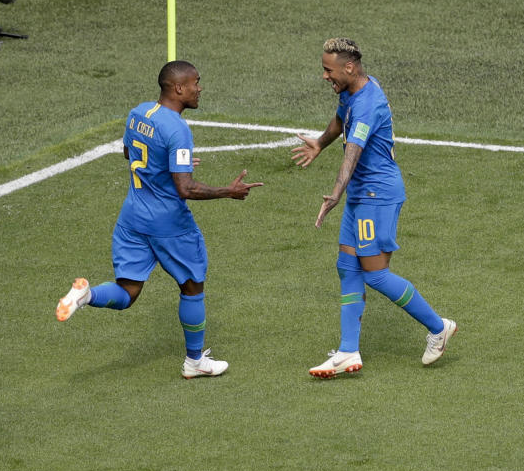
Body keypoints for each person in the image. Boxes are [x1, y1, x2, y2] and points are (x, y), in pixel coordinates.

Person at [56, 60, 262, 378]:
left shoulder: (139, 113)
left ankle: (87, 295)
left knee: (127, 292)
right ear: (178, 88)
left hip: (133, 217)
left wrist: (168, 161)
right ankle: (195, 362)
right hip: (169, 224)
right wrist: (228, 191)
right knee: (193, 286)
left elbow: (130, 153)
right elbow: (186, 187)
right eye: (195, 82)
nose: (199, 88)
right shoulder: (177, 130)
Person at [291, 38, 456, 378]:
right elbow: (341, 119)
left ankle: (439, 327)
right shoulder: (351, 89)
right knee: (347, 267)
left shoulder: (368, 103)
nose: (325, 76)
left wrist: (335, 193)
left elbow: (353, 150)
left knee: (376, 274)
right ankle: (348, 351)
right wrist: (320, 143)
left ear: (348, 67)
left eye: (328, 70)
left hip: (377, 195)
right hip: (361, 194)